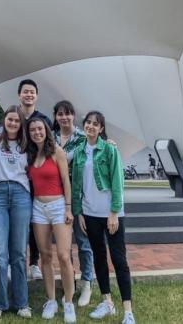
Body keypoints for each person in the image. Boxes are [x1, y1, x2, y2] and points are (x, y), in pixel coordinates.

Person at [72, 111, 135, 324]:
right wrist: (78, 211)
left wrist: (115, 212)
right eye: (88, 123)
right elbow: (76, 185)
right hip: (89, 214)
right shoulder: (79, 151)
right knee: (99, 257)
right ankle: (107, 303)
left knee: (119, 260)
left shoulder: (109, 149)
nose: (90, 126)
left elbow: (118, 182)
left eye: (95, 124)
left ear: (101, 129)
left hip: (111, 215)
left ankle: (128, 311)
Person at [27, 117, 76, 323]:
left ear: (46, 130)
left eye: (40, 128)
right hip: (38, 208)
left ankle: (68, 302)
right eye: (32, 130)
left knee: (64, 256)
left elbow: (66, 180)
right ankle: (51, 300)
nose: (37, 132)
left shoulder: (57, 151)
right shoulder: (29, 154)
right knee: (45, 255)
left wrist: (68, 208)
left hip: (58, 206)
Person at [0, 106, 32, 319]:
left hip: (21, 195)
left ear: (21, 124)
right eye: (10, 119)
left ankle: (22, 303)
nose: (13, 123)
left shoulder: (27, 144)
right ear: (4, 120)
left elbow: (53, 148)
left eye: (17, 121)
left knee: (19, 253)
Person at [53, 100, 94, 307]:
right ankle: (70, 283)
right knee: (64, 245)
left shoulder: (83, 137)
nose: (64, 117)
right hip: (56, 196)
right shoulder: (51, 138)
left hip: (79, 195)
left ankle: (87, 282)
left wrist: (110, 142)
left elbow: (99, 147)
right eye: (60, 114)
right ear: (56, 116)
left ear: (73, 116)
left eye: (68, 113)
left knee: (83, 242)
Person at [18, 79, 51, 280]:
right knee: (21, 222)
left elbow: (52, 143)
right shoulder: (13, 116)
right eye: (25, 92)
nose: (28, 95)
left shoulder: (44, 119)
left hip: (38, 177)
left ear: (36, 96)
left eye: (32, 92)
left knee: (36, 222)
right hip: (19, 176)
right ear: (19, 95)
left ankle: (34, 262)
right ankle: (18, 262)